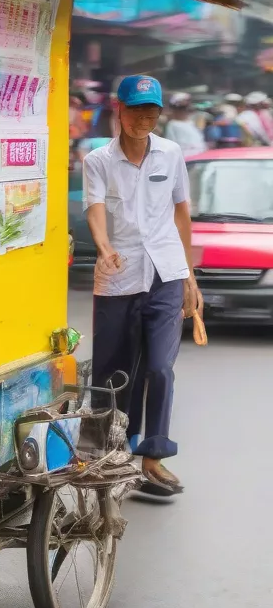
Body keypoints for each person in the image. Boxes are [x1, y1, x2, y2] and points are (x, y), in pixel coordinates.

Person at [83, 74, 201, 497]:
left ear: (158, 114)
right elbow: (94, 208)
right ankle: (108, 451)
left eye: (151, 112)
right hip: (117, 273)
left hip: (166, 272)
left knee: (159, 367)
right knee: (113, 368)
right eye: (135, 110)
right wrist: (103, 246)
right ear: (120, 109)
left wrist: (190, 276)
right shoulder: (98, 159)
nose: (142, 119)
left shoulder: (171, 154)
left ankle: (153, 456)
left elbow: (182, 214)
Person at [163, 92, 206, 156]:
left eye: (186, 108)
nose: (184, 111)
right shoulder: (172, 124)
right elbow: (170, 143)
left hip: (199, 155)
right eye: (181, 108)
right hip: (185, 156)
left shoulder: (192, 122)